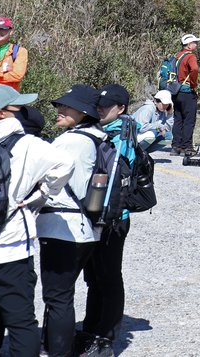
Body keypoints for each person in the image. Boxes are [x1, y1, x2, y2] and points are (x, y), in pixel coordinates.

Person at [0, 84, 74, 357]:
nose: (23, 113)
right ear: (1, 113)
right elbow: (65, 164)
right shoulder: (28, 145)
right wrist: (43, 193)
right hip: (9, 249)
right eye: (18, 108)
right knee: (22, 324)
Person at [37, 84, 103, 357]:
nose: (60, 110)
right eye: (60, 105)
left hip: (62, 228)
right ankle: (51, 346)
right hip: (84, 229)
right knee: (61, 295)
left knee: (58, 298)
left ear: (84, 112)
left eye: (68, 106)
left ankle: (58, 352)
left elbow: (43, 177)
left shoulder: (71, 141)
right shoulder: (97, 137)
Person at [75, 84, 136, 357]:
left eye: (105, 107)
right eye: (98, 106)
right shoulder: (99, 130)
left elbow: (115, 176)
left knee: (109, 278)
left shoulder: (123, 133)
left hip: (113, 218)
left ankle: (107, 339)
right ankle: (90, 330)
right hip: (93, 215)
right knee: (94, 278)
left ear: (120, 108)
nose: (99, 111)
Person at [170, 33, 200, 159]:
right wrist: (194, 84)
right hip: (187, 91)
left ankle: (176, 146)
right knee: (189, 120)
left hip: (176, 91)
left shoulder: (178, 55)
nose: (196, 44)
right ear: (188, 45)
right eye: (194, 42)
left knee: (178, 119)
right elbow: (194, 70)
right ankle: (187, 148)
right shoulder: (190, 56)